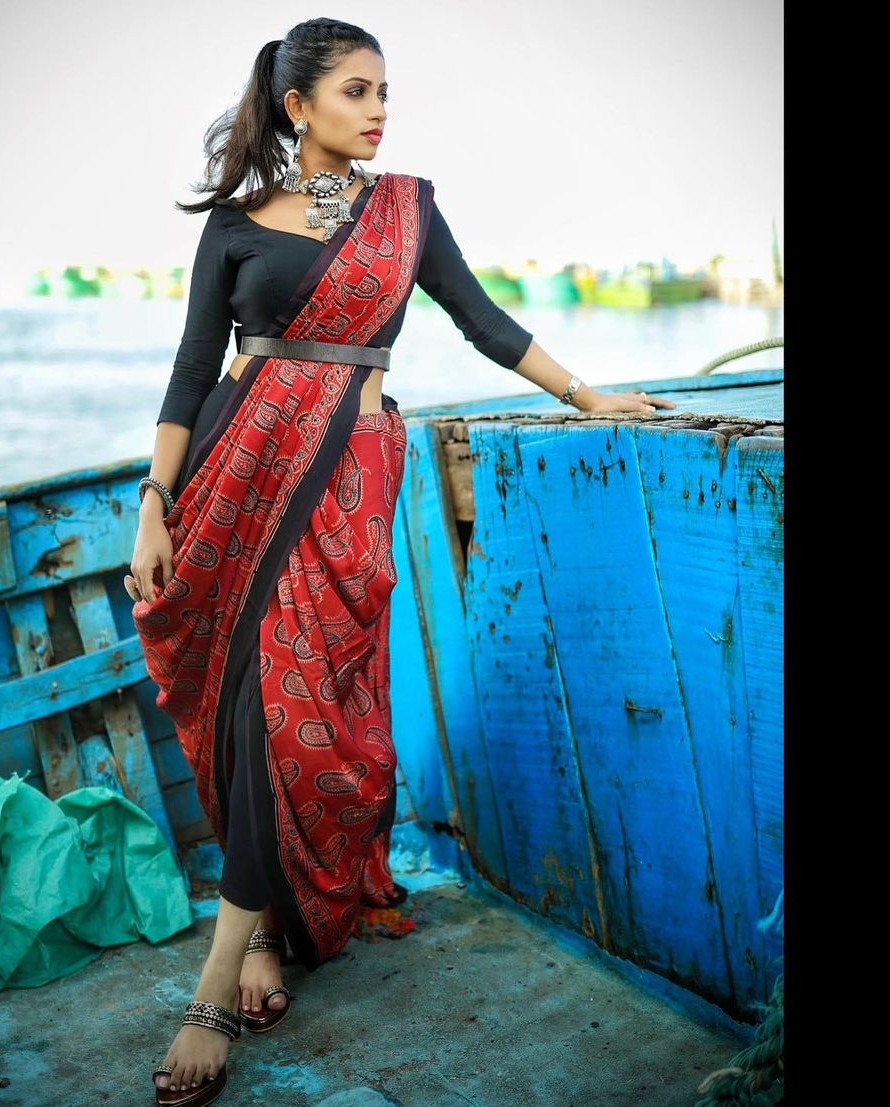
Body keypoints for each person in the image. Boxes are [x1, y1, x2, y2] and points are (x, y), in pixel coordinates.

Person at [124, 17, 675, 1106]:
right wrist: (153, 502)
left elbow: (482, 321)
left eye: (385, 90)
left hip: (347, 479)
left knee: (298, 702)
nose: (381, 110)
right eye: (358, 91)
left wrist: (588, 395)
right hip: (236, 474)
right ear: (299, 106)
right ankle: (239, 960)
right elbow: (192, 370)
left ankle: (244, 947)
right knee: (247, 702)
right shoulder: (236, 227)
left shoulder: (406, 211)